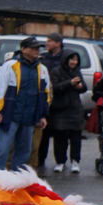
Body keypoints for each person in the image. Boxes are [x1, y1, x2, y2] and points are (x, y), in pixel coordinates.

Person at [0, 37, 51, 171]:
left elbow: (45, 94)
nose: (37, 50)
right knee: (2, 150)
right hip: (10, 115)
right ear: (23, 49)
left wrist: (43, 115)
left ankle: (17, 180)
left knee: (24, 152)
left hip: (29, 117)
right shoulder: (10, 65)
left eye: (38, 48)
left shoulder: (42, 69)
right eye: (33, 48)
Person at [48, 51, 87, 174]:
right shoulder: (56, 71)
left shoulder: (77, 71)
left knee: (76, 137)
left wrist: (80, 86)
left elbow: (84, 87)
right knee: (60, 138)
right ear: (66, 59)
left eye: (76, 60)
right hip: (60, 110)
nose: (74, 62)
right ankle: (60, 162)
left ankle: (75, 161)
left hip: (75, 109)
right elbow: (54, 88)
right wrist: (69, 83)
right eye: (72, 59)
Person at [32, 33, 65, 169]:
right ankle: (40, 159)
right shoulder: (43, 57)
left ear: (58, 43)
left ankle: (60, 161)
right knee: (42, 132)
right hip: (44, 98)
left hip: (59, 100)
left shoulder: (64, 57)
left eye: (50, 41)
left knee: (59, 133)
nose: (47, 43)